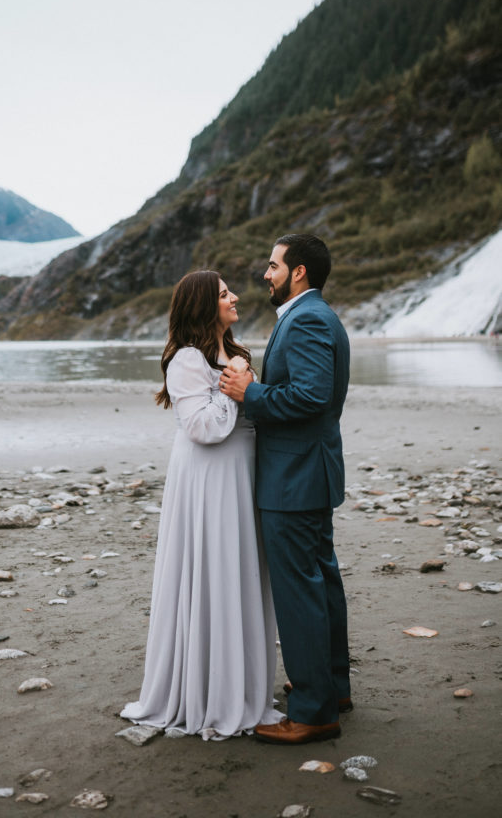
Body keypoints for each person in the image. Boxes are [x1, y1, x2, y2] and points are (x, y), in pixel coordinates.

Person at [121, 270, 284, 739]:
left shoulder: (232, 354)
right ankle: (206, 692)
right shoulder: (187, 360)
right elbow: (203, 428)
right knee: (211, 573)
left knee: (241, 575)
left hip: (240, 478)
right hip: (209, 480)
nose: (234, 297)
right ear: (202, 305)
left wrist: (243, 381)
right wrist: (237, 388)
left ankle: (242, 687)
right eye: (223, 294)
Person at [220, 234, 351, 745]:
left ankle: (315, 711)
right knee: (322, 583)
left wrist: (249, 393)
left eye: (273, 266)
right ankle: (333, 689)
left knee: (300, 592)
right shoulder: (310, 315)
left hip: (294, 478)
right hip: (308, 473)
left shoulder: (310, 317)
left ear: (297, 272)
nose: (265, 274)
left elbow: (313, 395)